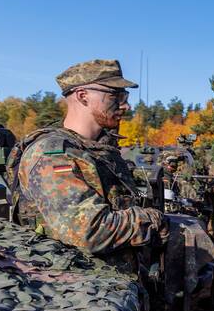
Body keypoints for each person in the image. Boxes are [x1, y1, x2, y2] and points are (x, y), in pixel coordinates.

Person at [9, 59, 167, 275]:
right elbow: (90, 231)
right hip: (77, 289)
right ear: (83, 96)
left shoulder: (100, 149)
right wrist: (152, 220)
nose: (126, 105)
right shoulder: (52, 154)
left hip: (113, 283)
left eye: (125, 96)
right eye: (115, 95)